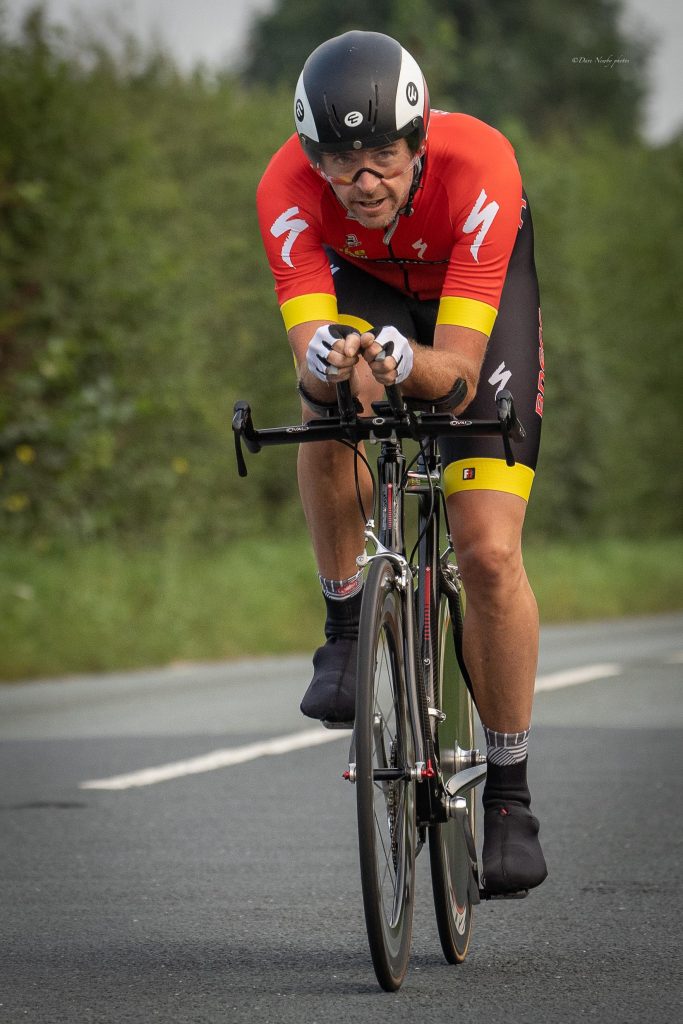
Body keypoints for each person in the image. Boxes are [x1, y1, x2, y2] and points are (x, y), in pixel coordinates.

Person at [256, 30, 547, 895]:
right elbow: (312, 339)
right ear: (314, 157)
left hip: (471, 305)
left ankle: (508, 793)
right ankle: (346, 625)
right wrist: (331, 364)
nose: (363, 178)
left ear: (418, 140)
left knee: (488, 549)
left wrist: (407, 359)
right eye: (341, 160)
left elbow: (455, 375)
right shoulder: (286, 188)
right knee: (327, 398)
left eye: (382, 152)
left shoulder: (480, 164)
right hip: (366, 289)